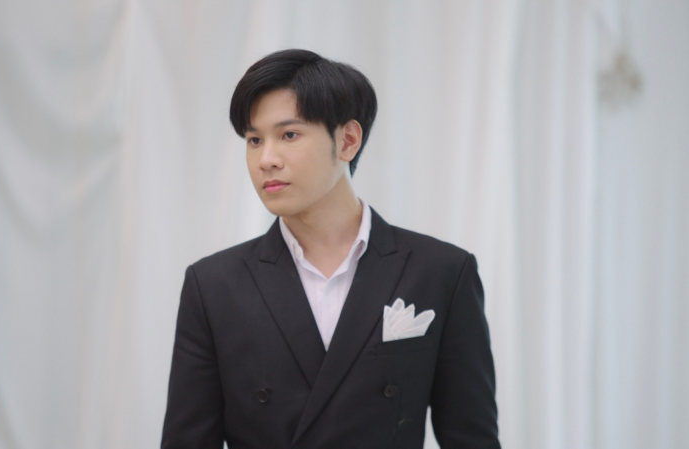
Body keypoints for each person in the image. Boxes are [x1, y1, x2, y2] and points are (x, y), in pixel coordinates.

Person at [161, 49, 500, 449]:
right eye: (254, 140)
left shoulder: (441, 272)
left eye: (289, 135)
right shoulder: (213, 285)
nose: (266, 159)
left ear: (347, 140)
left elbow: (472, 438)